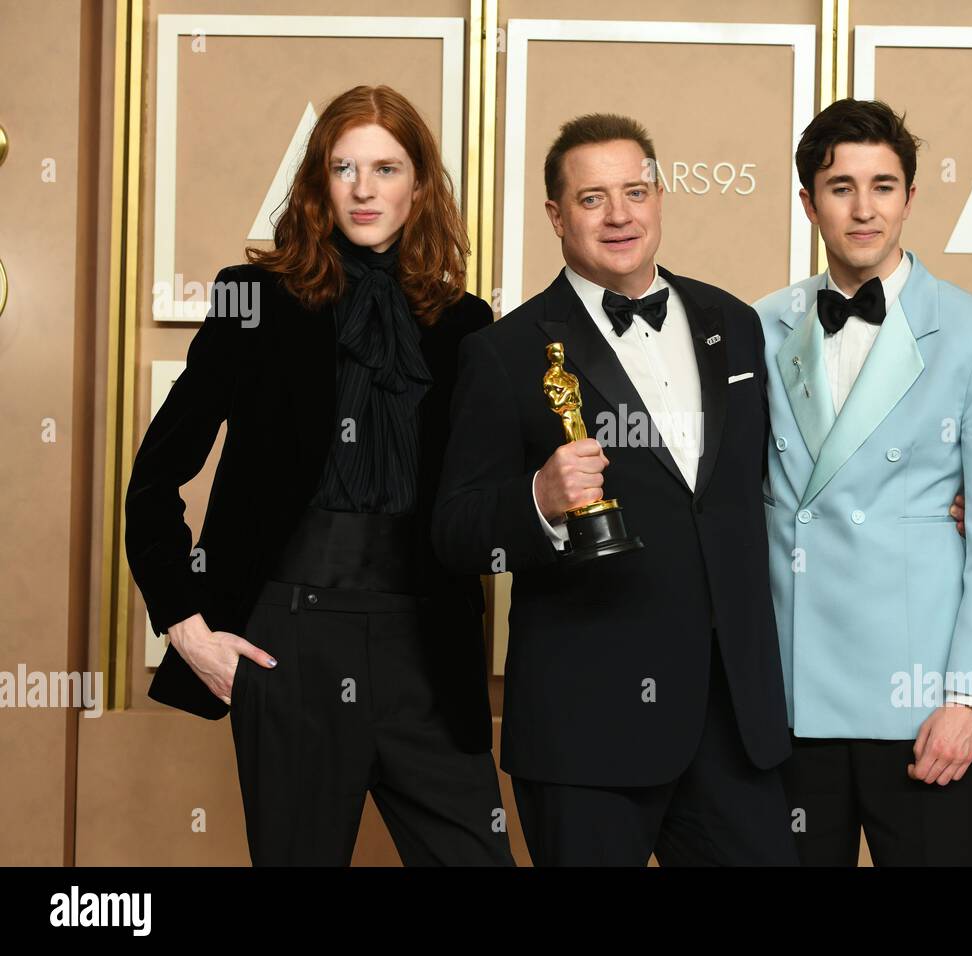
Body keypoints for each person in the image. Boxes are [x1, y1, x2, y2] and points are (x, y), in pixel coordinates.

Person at [124, 85, 513, 866]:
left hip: (428, 648)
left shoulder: (468, 324)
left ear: (421, 184)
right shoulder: (253, 300)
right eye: (344, 167)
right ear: (317, 182)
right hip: (287, 643)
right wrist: (187, 625)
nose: (365, 189)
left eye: (387, 168)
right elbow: (156, 475)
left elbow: (484, 506)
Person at [433, 114, 797, 866]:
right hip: (585, 733)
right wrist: (537, 499)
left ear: (660, 197)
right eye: (593, 199)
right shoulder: (503, 352)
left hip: (735, 722)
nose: (621, 214)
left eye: (635, 190)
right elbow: (457, 530)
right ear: (556, 217)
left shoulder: (735, 322)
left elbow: (771, 481)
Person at [753, 98, 972, 866]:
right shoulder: (759, 324)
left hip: (922, 708)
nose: (864, 207)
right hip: (791, 701)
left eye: (883, 185)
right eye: (841, 187)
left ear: (911, 196)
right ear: (808, 202)